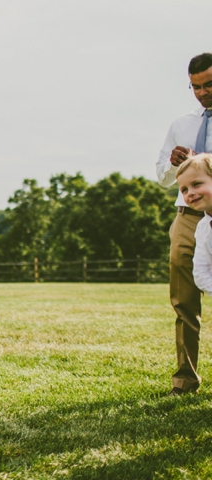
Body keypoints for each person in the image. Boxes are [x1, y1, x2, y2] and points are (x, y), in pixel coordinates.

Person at [156, 52, 212, 395]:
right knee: (184, 302)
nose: (203, 92)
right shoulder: (182, 123)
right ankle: (185, 380)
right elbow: (162, 176)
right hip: (187, 221)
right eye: (196, 87)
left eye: (209, 85)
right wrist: (174, 164)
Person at [177, 155, 212, 298]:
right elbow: (200, 271)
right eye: (184, 190)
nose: (190, 192)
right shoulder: (203, 229)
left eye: (196, 184)